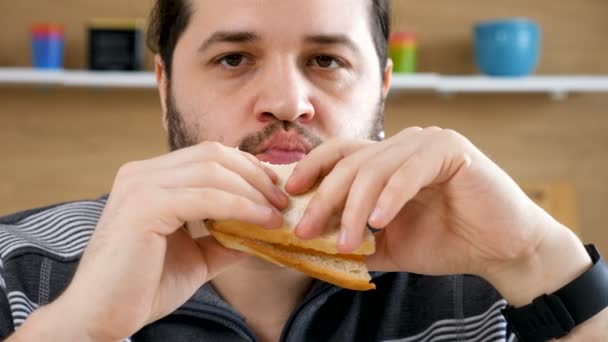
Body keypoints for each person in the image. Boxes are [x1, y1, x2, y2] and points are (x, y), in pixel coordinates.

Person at [1, 0, 606, 341]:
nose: (288, 102)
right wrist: (81, 330)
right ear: (164, 87)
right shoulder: (16, 270)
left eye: (326, 59)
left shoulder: (497, 286)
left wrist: (533, 258)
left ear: (383, 90)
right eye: (233, 58)